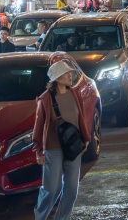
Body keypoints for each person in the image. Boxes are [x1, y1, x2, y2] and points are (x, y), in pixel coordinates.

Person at [32, 60, 92, 220]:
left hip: (73, 146)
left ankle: (62, 218)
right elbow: (38, 125)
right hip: (53, 148)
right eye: (66, 73)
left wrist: (85, 139)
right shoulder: (45, 99)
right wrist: (39, 150)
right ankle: (40, 216)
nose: (70, 75)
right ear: (56, 78)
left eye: (70, 73)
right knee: (52, 188)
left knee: (72, 189)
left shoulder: (75, 93)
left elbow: (82, 117)